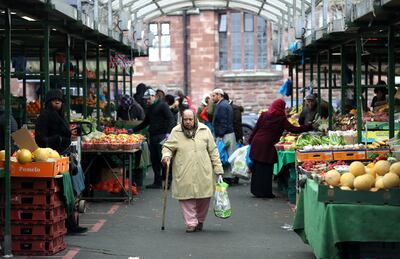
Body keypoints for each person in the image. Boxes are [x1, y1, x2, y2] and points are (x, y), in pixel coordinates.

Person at [161, 109, 223, 232]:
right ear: (181, 119)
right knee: (186, 197)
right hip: (184, 169)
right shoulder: (176, 131)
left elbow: (213, 150)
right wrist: (166, 155)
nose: (188, 122)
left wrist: (218, 168)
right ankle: (191, 223)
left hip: (203, 169)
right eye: (185, 119)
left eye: (190, 119)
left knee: (204, 197)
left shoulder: (205, 130)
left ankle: (200, 220)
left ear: (195, 118)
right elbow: (167, 146)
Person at [35, 89, 87, 233]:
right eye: (54, 100)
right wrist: (62, 139)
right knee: (66, 191)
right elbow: (40, 140)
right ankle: (70, 224)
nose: (57, 102)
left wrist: (70, 136)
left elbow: (63, 135)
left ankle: (70, 223)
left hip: (63, 158)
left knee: (69, 191)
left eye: (60, 100)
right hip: (52, 161)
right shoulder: (45, 117)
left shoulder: (60, 116)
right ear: (48, 102)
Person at [249, 99, 313, 198]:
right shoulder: (281, 118)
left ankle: (256, 191)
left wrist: (250, 141)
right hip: (268, 145)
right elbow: (294, 129)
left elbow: (256, 128)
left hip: (257, 142)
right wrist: (309, 127)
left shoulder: (264, 114)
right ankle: (265, 193)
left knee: (257, 168)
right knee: (267, 169)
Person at [134, 88, 175, 189]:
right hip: (153, 137)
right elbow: (146, 122)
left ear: (153, 97)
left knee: (164, 160)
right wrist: (133, 130)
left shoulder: (163, 105)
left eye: (148, 99)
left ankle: (167, 182)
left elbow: (170, 118)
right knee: (155, 160)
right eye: (146, 99)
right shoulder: (150, 108)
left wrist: (168, 133)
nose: (147, 101)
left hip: (162, 136)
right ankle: (157, 181)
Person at [212, 88, 236, 185]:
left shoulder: (222, 106)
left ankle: (228, 177)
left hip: (225, 134)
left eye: (213, 95)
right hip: (228, 133)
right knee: (228, 155)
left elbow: (223, 121)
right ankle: (229, 177)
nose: (212, 98)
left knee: (224, 155)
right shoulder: (225, 104)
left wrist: (221, 135)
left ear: (219, 95)